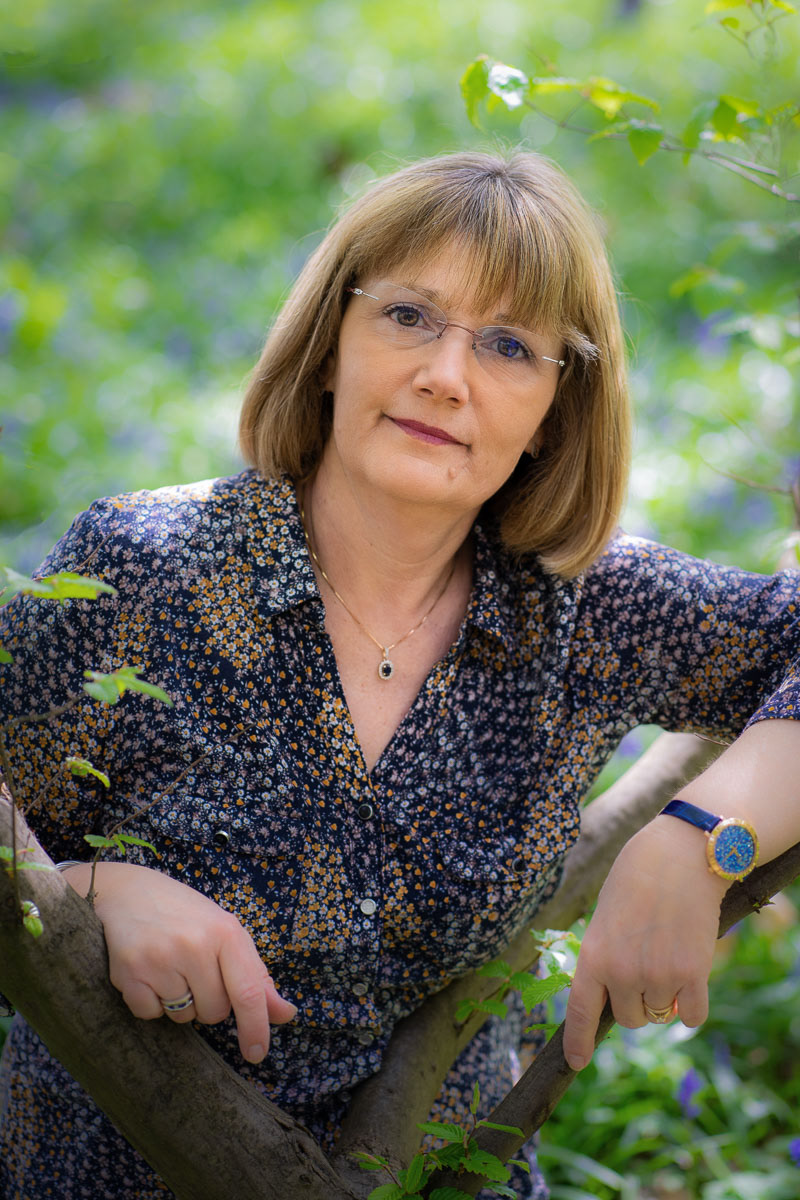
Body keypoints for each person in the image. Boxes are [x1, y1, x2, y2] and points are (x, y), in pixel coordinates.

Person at [0, 149, 798, 1200]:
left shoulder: (587, 611)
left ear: (554, 411)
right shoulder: (138, 573)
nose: (445, 376)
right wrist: (88, 892)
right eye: (410, 316)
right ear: (333, 343)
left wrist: (698, 843)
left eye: (507, 345)